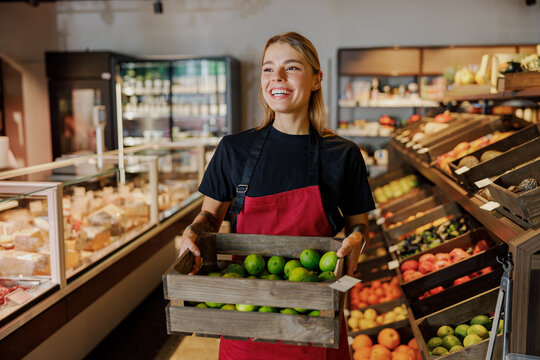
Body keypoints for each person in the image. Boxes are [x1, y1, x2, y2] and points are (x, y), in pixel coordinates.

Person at [179, 31, 375, 360]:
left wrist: (357, 241)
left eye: (291, 68)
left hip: (314, 327)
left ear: (316, 79)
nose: (277, 78)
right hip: (246, 327)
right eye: (268, 69)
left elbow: (360, 227)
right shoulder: (233, 150)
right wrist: (193, 231)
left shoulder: (343, 154)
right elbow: (209, 217)